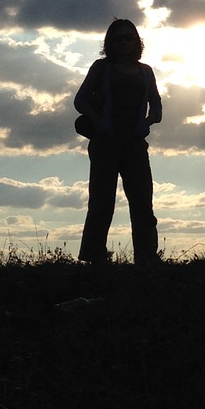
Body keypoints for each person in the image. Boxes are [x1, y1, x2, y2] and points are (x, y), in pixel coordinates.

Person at [74, 19, 162, 265]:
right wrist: (99, 121)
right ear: (109, 43)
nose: (124, 42)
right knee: (102, 202)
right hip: (106, 143)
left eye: (128, 38)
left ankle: (146, 258)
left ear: (136, 41)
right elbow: (80, 100)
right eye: (118, 38)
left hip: (134, 144)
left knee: (143, 203)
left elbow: (157, 106)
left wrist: (148, 121)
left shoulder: (145, 71)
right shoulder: (101, 68)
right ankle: (94, 257)